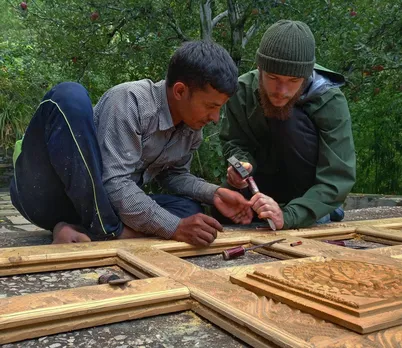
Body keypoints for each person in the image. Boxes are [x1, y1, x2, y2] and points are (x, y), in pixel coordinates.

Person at [10, 40, 253, 245]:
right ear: (180, 91)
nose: (214, 118)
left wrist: (215, 193)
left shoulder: (191, 129)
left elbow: (173, 175)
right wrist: (174, 228)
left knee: (191, 213)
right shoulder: (131, 101)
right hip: (48, 197)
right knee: (69, 95)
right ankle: (112, 232)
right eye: (211, 106)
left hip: (100, 209)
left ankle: (76, 230)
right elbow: (114, 182)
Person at [218, 20, 356, 230]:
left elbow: (337, 177)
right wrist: (240, 166)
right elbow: (233, 143)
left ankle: (312, 211)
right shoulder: (242, 91)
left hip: (308, 196)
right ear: (259, 68)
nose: (282, 90)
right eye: (273, 77)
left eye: (293, 81)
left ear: (306, 75)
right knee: (219, 211)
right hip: (258, 191)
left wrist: (290, 216)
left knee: (289, 120)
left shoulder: (329, 101)